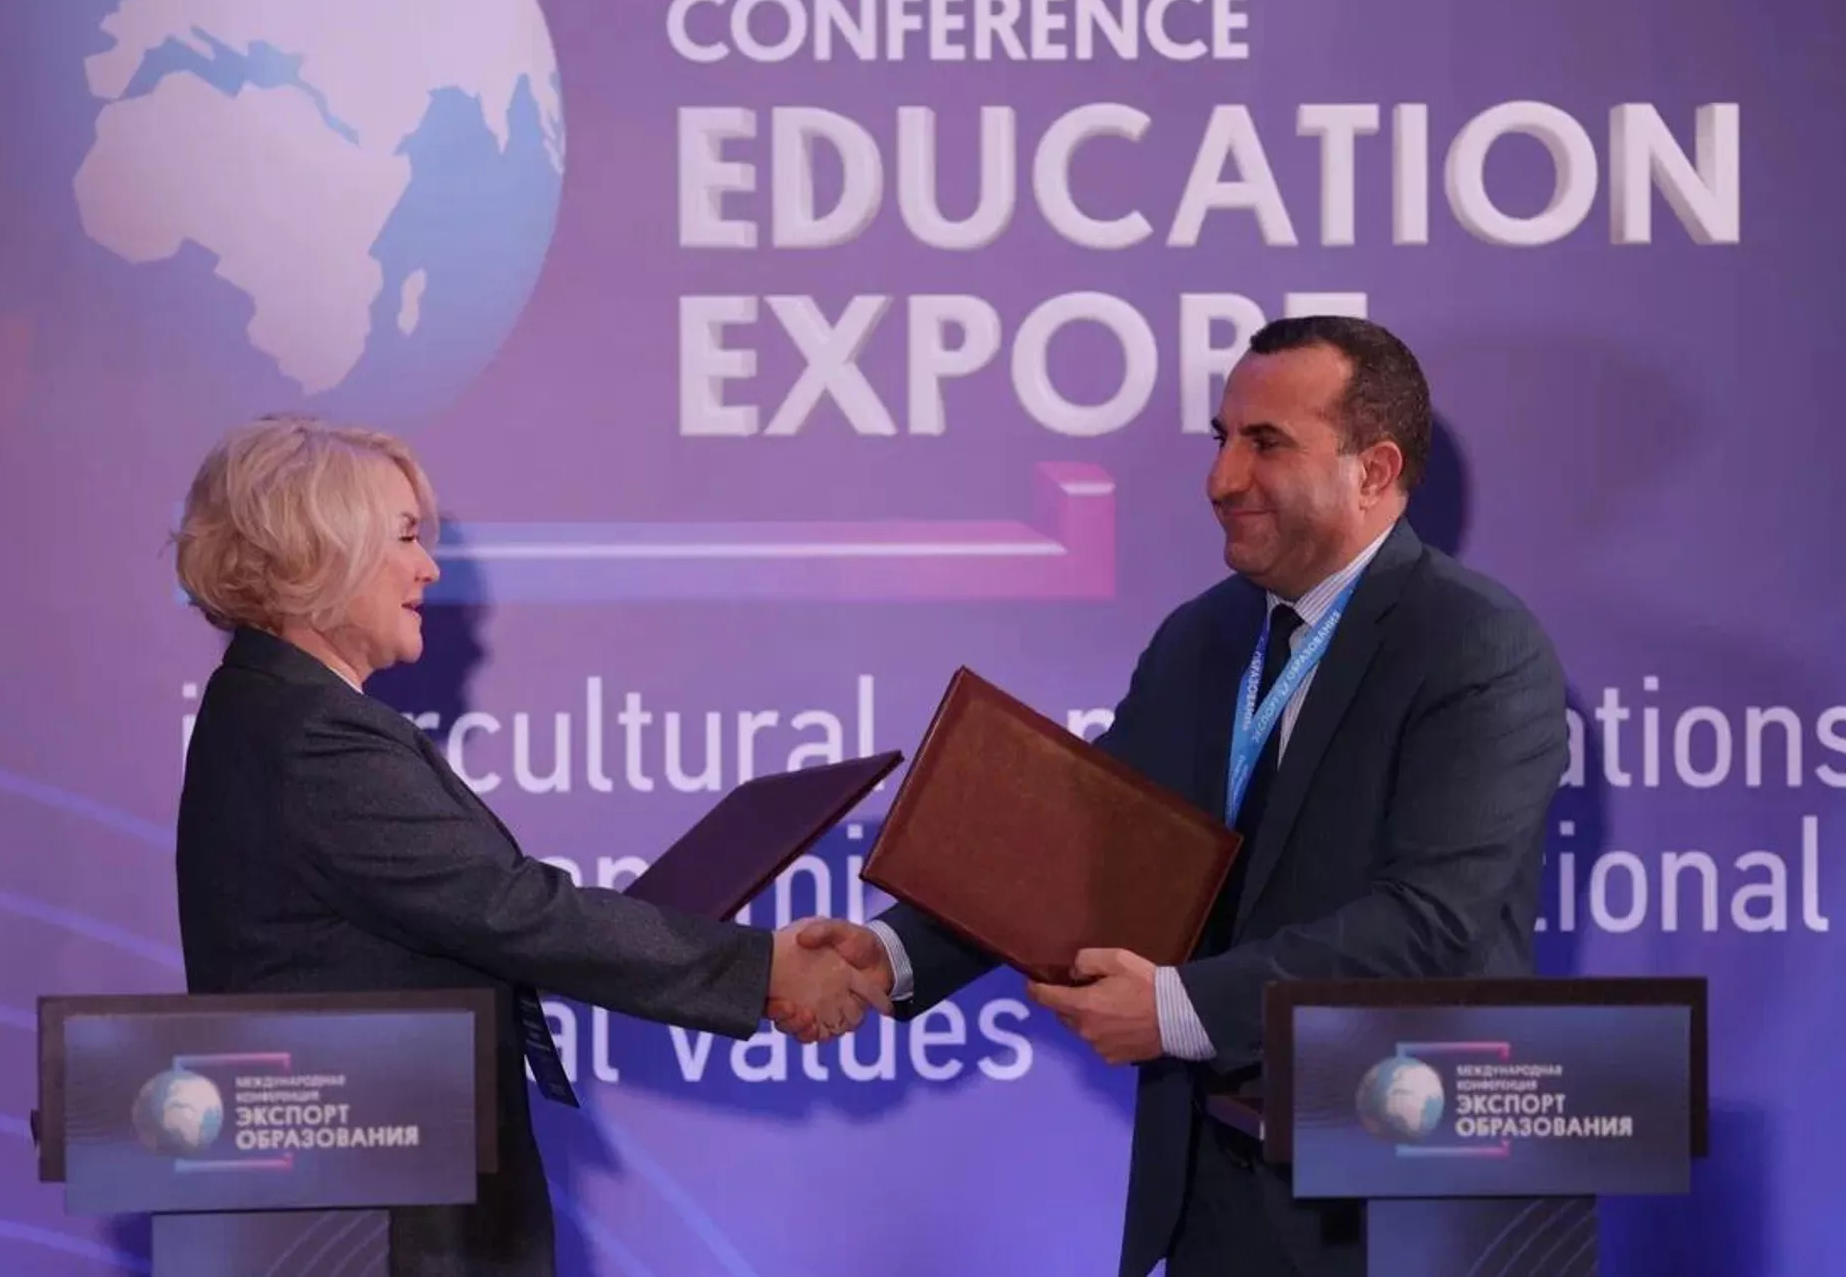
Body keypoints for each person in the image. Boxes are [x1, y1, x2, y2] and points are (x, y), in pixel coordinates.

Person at [789, 316, 1569, 1276]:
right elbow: (1088, 843)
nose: (1222, 479)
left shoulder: (1473, 645)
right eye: (1223, 438)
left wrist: (1179, 1007)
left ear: (1373, 470)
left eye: (1266, 443)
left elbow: (1431, 923)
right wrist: (892, 954)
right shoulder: (1203, 637)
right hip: (1215, 1188)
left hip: (1401, 1194)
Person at [171, 414, 886, 1277]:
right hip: (374, 1224)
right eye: (405, 536)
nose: (429, 568)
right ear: (317, 549)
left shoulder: (279, 712)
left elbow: (487, 911)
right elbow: (509, 909)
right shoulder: (310, 736)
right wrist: (763, 968)